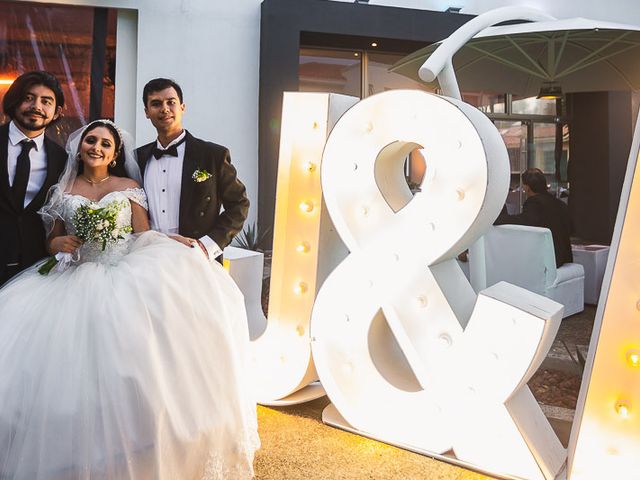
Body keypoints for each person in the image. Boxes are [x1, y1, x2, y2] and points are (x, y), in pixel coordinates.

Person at [0, 120, 259, 479]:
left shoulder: (128, 188)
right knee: (70, 371)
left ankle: (133, 450)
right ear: (80, 147)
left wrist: (179, 243)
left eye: (105, 144)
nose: (96, 147)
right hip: (74, 278)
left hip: (122, 275)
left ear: (115, 153)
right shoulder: (63, 190)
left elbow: (144, 233)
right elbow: (53, 239)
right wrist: (57, 244)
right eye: (91, 140)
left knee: (132, 367)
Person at [136, 78, 249, 262]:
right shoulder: (137, 159)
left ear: (182, 107)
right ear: (147, 112)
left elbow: (239, 204)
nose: (164, 109)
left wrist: (207, 246)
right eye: (156, 104)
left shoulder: (213, 155)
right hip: (148, 258)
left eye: (171, 102)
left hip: (196, 257)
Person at [0, 70, 67, 285]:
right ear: (13, 101)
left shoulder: (62, 159)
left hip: (34, 268)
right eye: (28, 98)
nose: (37, 106)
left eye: (46, 101)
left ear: (56, 112)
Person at [494, 167, 573, 266]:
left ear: (527, 187)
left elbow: (524, 221)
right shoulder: (559, 204)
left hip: (551, 258)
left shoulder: (535, 202)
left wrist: (496, 219)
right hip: (564, 256)